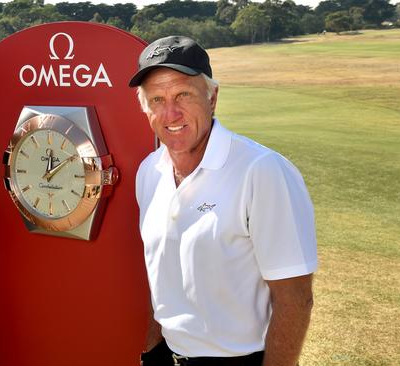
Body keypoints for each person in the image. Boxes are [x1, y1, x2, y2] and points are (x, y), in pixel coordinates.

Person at [131, 36, 318, 366]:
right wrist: (150, 349)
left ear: (212, 97)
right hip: (167, 353)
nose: (170, 112)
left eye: (183, 95)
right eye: (157, 99)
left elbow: (295, 298)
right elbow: (160, 271)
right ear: (145, 108)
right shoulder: (150, 171)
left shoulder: (262, 171)